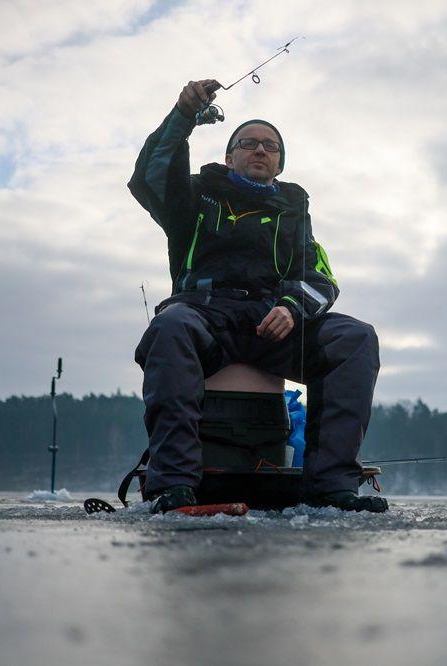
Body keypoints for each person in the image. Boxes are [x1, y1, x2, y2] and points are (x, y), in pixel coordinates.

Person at [128, 79, 387, 514]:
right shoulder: (194, 197)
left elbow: (320, 277)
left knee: (356, 339)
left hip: (273, 324)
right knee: (170, 327)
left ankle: (330, 487)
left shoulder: (295, 213)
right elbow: (150, 176)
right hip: (205, 318)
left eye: (270, 145)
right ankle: (172, 484)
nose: (260, 150)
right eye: (248, 142)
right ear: (230, 156)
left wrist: (291, 306)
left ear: (280, 164)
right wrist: (182, 116)